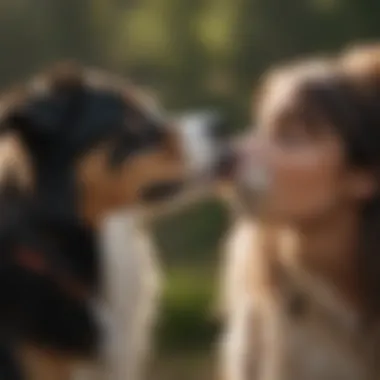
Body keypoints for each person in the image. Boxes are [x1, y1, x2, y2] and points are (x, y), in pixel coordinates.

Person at [219, 44, 380, 380]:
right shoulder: (260, 284)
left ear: (363, 177)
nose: (242, 151)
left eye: (290, 138)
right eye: (258, 131)